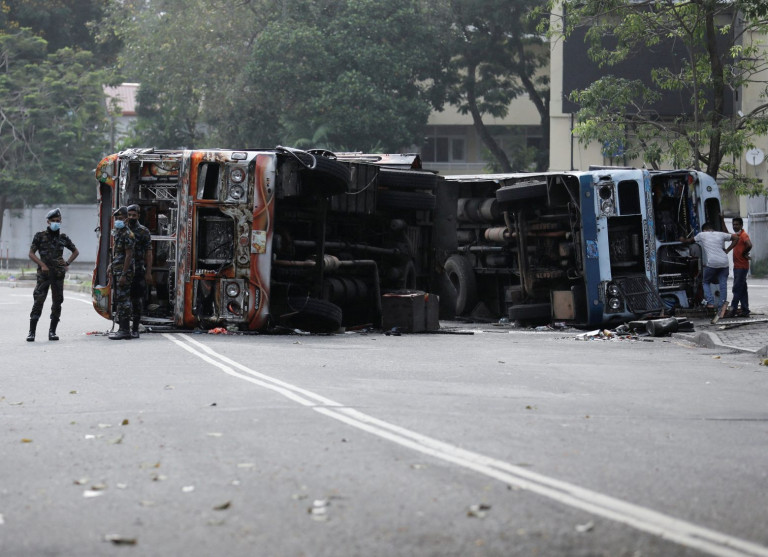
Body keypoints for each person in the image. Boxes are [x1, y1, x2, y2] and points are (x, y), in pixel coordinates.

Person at [27, 208, 79, 342]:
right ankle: (31, 332)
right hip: (43, 275)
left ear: (60, 221)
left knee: (57, 302)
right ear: (48, 222)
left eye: (58, 221)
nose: (56, 223)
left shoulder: (63, 237)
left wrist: (66, 262)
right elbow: (31, 253)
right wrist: (42, 265)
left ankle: (52, 332)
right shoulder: (40, 236)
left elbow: (75, 251)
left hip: (58, 274)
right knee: (38, 301)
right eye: (53, 221)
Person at [679, 220, 739, 317]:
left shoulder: (702, 234)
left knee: (705, 282)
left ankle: (710, 302)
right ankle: (721, 308)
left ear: (704, 229)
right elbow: (736, 238)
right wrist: (727, 250)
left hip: (712, 263)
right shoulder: (721, 234)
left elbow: (689, 241)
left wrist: (682, 239)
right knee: (723, 285)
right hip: (724, 263)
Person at [108, 206, 135, 340]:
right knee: (119, 299)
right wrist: (111, 265)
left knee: (124, 301)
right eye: (116, 218)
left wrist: (124, 274)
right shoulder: (119, 232)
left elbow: (128, 256)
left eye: (120, 218)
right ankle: (122, 329)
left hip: (124, 272)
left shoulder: (127, 234)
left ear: (126, 219)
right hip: (117, 270)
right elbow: (118, 254)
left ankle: (125, 330)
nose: (118, 220)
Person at [126, 204, 153, 338]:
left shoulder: (143, 231)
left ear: (138, 216)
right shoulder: (122, 230)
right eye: (129, 215)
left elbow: (149, 252)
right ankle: (124, 327)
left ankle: (135, 328)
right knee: (123, 300)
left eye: (134, 215)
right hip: (123, 270)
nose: (131, 217)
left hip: (137, 270)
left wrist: (148, 272)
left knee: (136, 300)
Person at [725, 217, 752, 317]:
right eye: (734, 224)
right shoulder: (736, 235)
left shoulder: (743, 235)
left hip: (741, 266)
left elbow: (749, 244)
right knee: (742, 289)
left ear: (741, 225)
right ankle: (745, 310)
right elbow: (726, 232)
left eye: (737, 224)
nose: (735, 226)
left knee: (736, 288)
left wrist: (744, 253)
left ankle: (733, 309)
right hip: (738, 266)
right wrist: (721, 219)